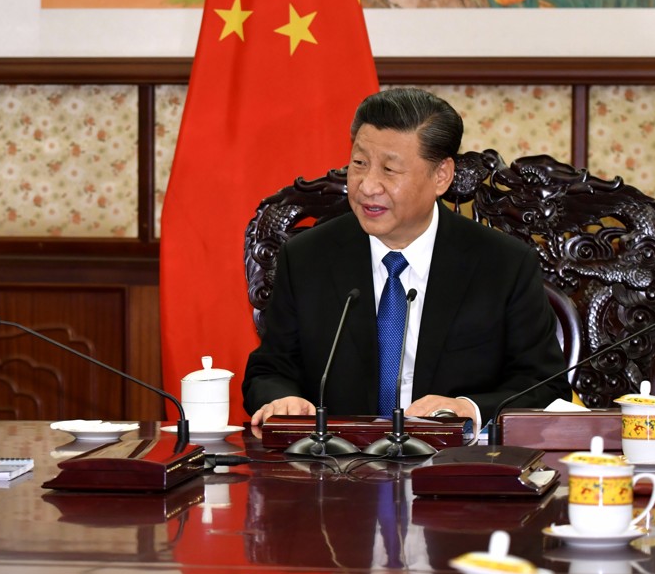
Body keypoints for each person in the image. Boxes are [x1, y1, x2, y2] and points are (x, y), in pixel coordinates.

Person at [242, 88, 567, 429]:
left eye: (390, 170)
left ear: (441, 176)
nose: (367, 186)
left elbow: (544, 385)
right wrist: (282, 399)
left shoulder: (504, 264)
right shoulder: (308, 256)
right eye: (359, 164)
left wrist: (469, 408)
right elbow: (270, 370)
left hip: (451, 467)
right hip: (338, 465)